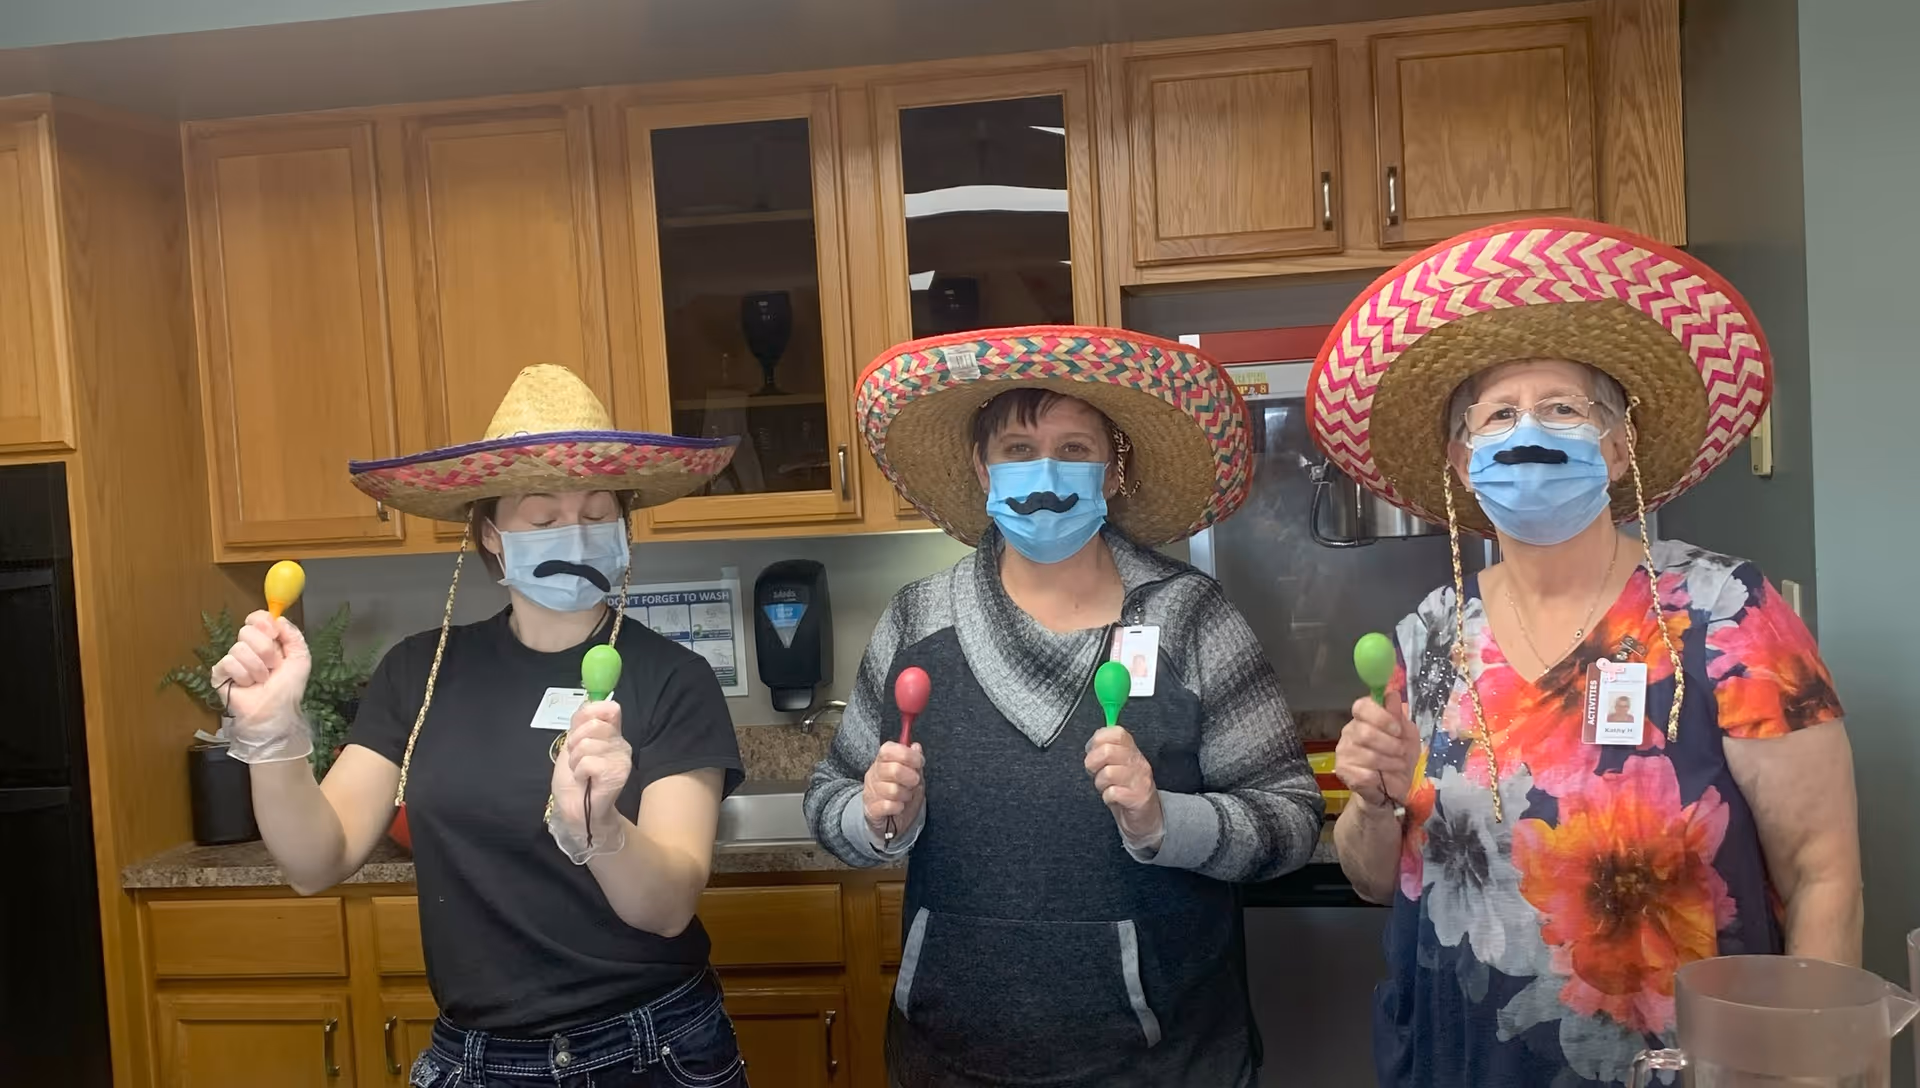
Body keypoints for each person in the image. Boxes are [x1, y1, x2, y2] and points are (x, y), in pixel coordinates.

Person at [1310, 219, 1862, 1086]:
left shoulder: (1724, 614)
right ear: (1463, 460)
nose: (1528, 431)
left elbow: (1823, 873)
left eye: (1564, 407)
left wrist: (1803, 1067)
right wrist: (1374, 803)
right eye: (1499, 414)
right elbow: (1378, 882)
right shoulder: (1428, 639)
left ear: (1618, 445)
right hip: (1457, 1062)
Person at [806, 326, 1325, 1087]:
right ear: (982, 469)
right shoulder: (917, 620)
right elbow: (827, 802)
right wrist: (876, 818)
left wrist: (1164, 823)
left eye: (1075, 449)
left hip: (1169, 1065)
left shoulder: (1190, 616)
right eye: (1017, 450)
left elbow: (1291, 820)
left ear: (1113, 470)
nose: (1043, 472)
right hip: (949, 1063)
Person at [213, 365, 752, 1088]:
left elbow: (667, 908)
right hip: (476, 1063)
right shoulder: (420, 671)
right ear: (492, 533)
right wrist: (274, 737)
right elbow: (317, 860)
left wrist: (603, 834)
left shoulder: (674, 678)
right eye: (543, 515)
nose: (577, 532)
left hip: (651, 1052)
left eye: (598, 512)